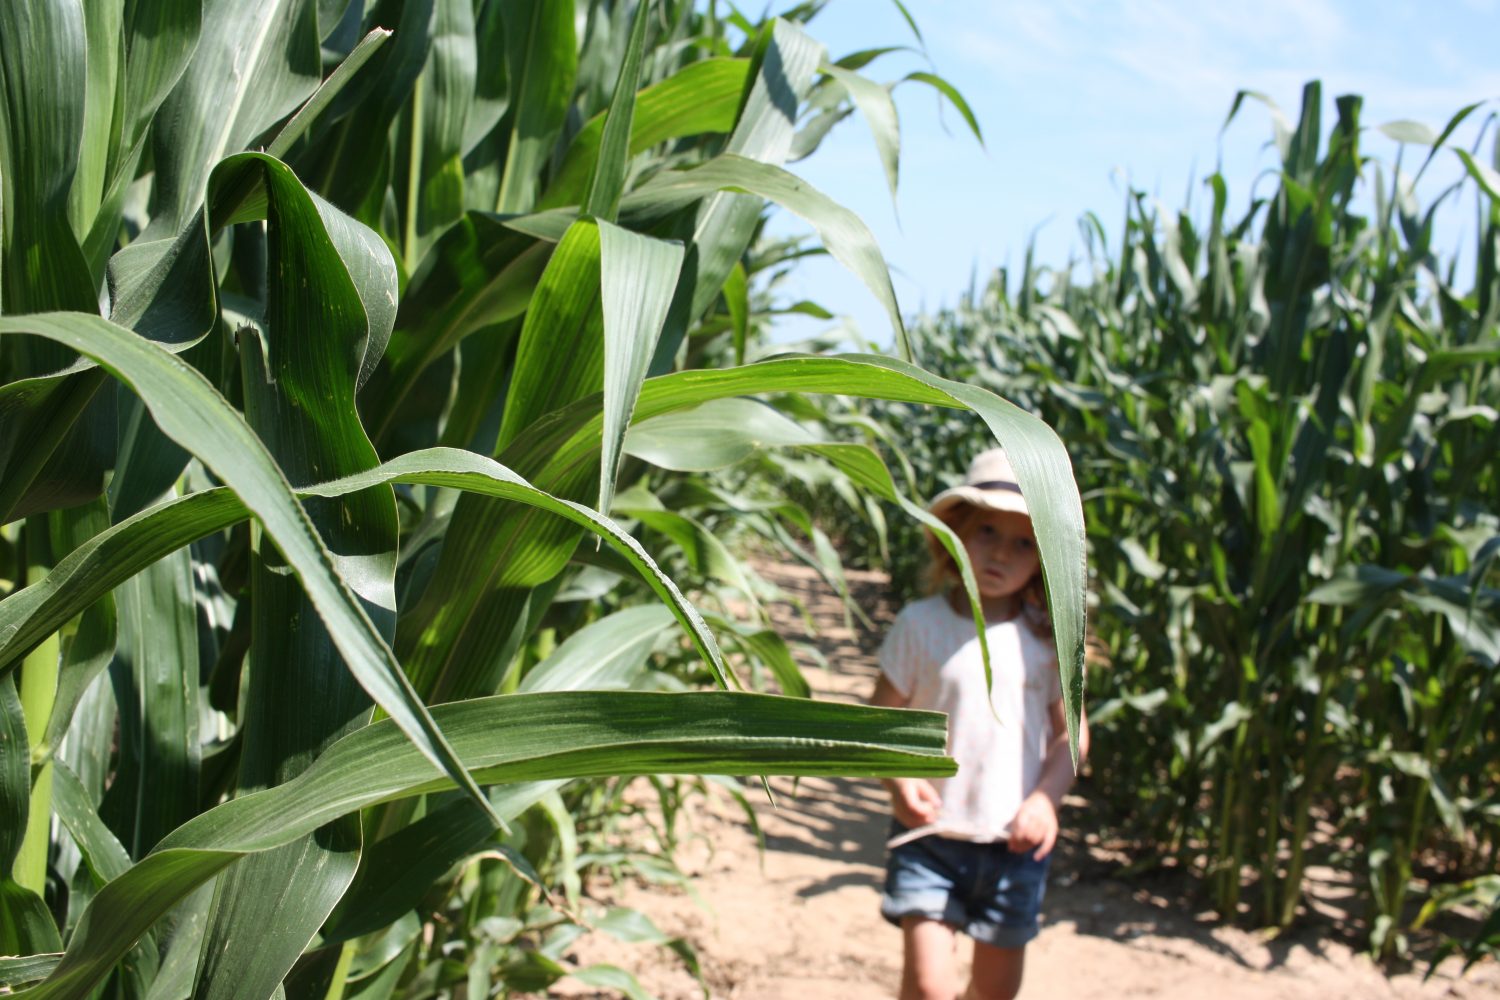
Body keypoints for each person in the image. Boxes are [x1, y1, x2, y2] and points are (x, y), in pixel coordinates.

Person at [870, 446, 1089, 1000]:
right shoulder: (920, 625)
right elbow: (878, 721)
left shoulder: (1048, 641)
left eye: (1023, 542)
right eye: (986, 530)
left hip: (1013, 845)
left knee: (995, 991)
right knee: (927, 986)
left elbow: (1073, 733)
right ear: (956, 533)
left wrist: (1046, 800)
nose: (1000, 553)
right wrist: (899, 780)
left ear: (1043, 558)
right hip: (928, 837)